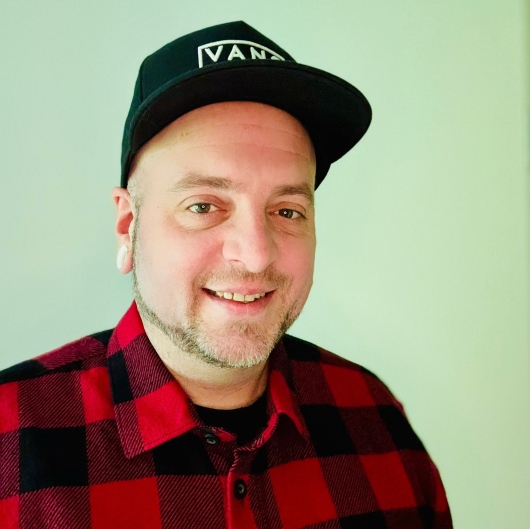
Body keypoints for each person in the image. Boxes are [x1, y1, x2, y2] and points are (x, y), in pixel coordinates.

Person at [0, 21, 452, 529]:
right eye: (203, 205)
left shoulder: (376, 419)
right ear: (128, 226)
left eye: (287, 211)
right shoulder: (9, 442)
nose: (256, 256)